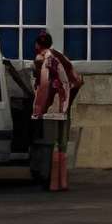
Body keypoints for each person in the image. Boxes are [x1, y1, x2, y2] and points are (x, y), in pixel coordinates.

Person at [30, 30, 82, 193]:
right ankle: (63, 182)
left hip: (51, 108)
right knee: (63, 145)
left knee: (50, 145)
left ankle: (52, 183)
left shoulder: (44, 60)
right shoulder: (61, 56)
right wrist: (67, 99)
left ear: (38, 45)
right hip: (64, 107)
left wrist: (38, 110)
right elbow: (78, 80)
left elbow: (44, 87)